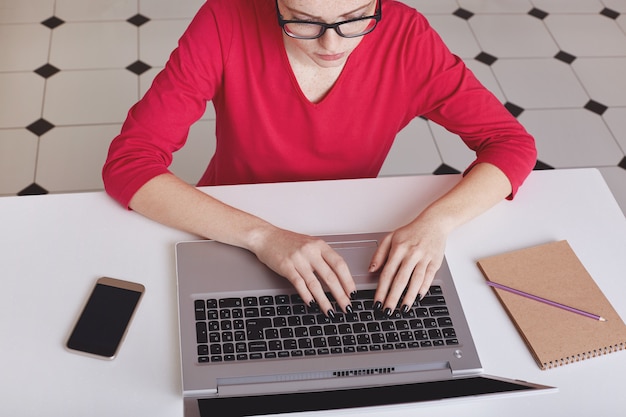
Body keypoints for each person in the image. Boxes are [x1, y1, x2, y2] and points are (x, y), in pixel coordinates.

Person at [103, 0, 536, 319]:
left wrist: (435, 224)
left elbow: (509, 143)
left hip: (351, 234)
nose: (332, 44)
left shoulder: (407, 35)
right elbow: (130, 165)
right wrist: (263, 237)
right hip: (229, 224)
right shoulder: (225, 19)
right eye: (304, 22)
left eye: (355, 18)